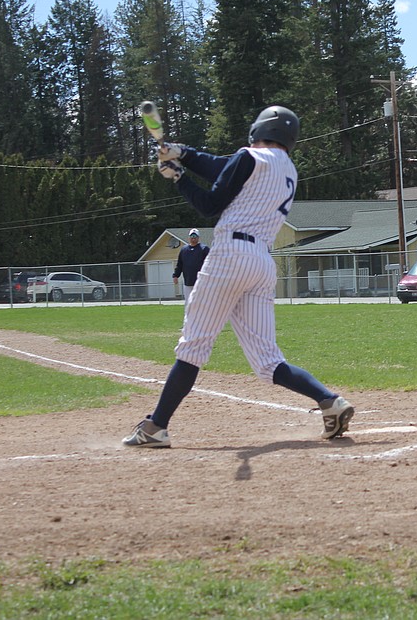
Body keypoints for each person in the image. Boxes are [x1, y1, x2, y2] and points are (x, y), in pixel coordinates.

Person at [123, 105, 355, 448]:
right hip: (260, 261)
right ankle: (329, 400)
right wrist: (183, 154)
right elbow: (222, 167)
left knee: (193, 346)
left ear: (258, 129)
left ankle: (156, 426)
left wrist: (179, 178)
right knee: (268, 361)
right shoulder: (287, 169)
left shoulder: (250, 157)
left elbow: (211, 204)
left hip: (229, 256)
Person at [173, 228, 209, 304]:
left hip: (201, 282)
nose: (193, 238)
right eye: (192, 236)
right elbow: (180, 264)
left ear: (198, 237)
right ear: (189, 237)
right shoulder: (184, 250)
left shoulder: (204, 249)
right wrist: (175, 275)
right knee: (189, 303)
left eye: (195, 236)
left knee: (201, 303)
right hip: (188, 282)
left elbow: (210, 264)